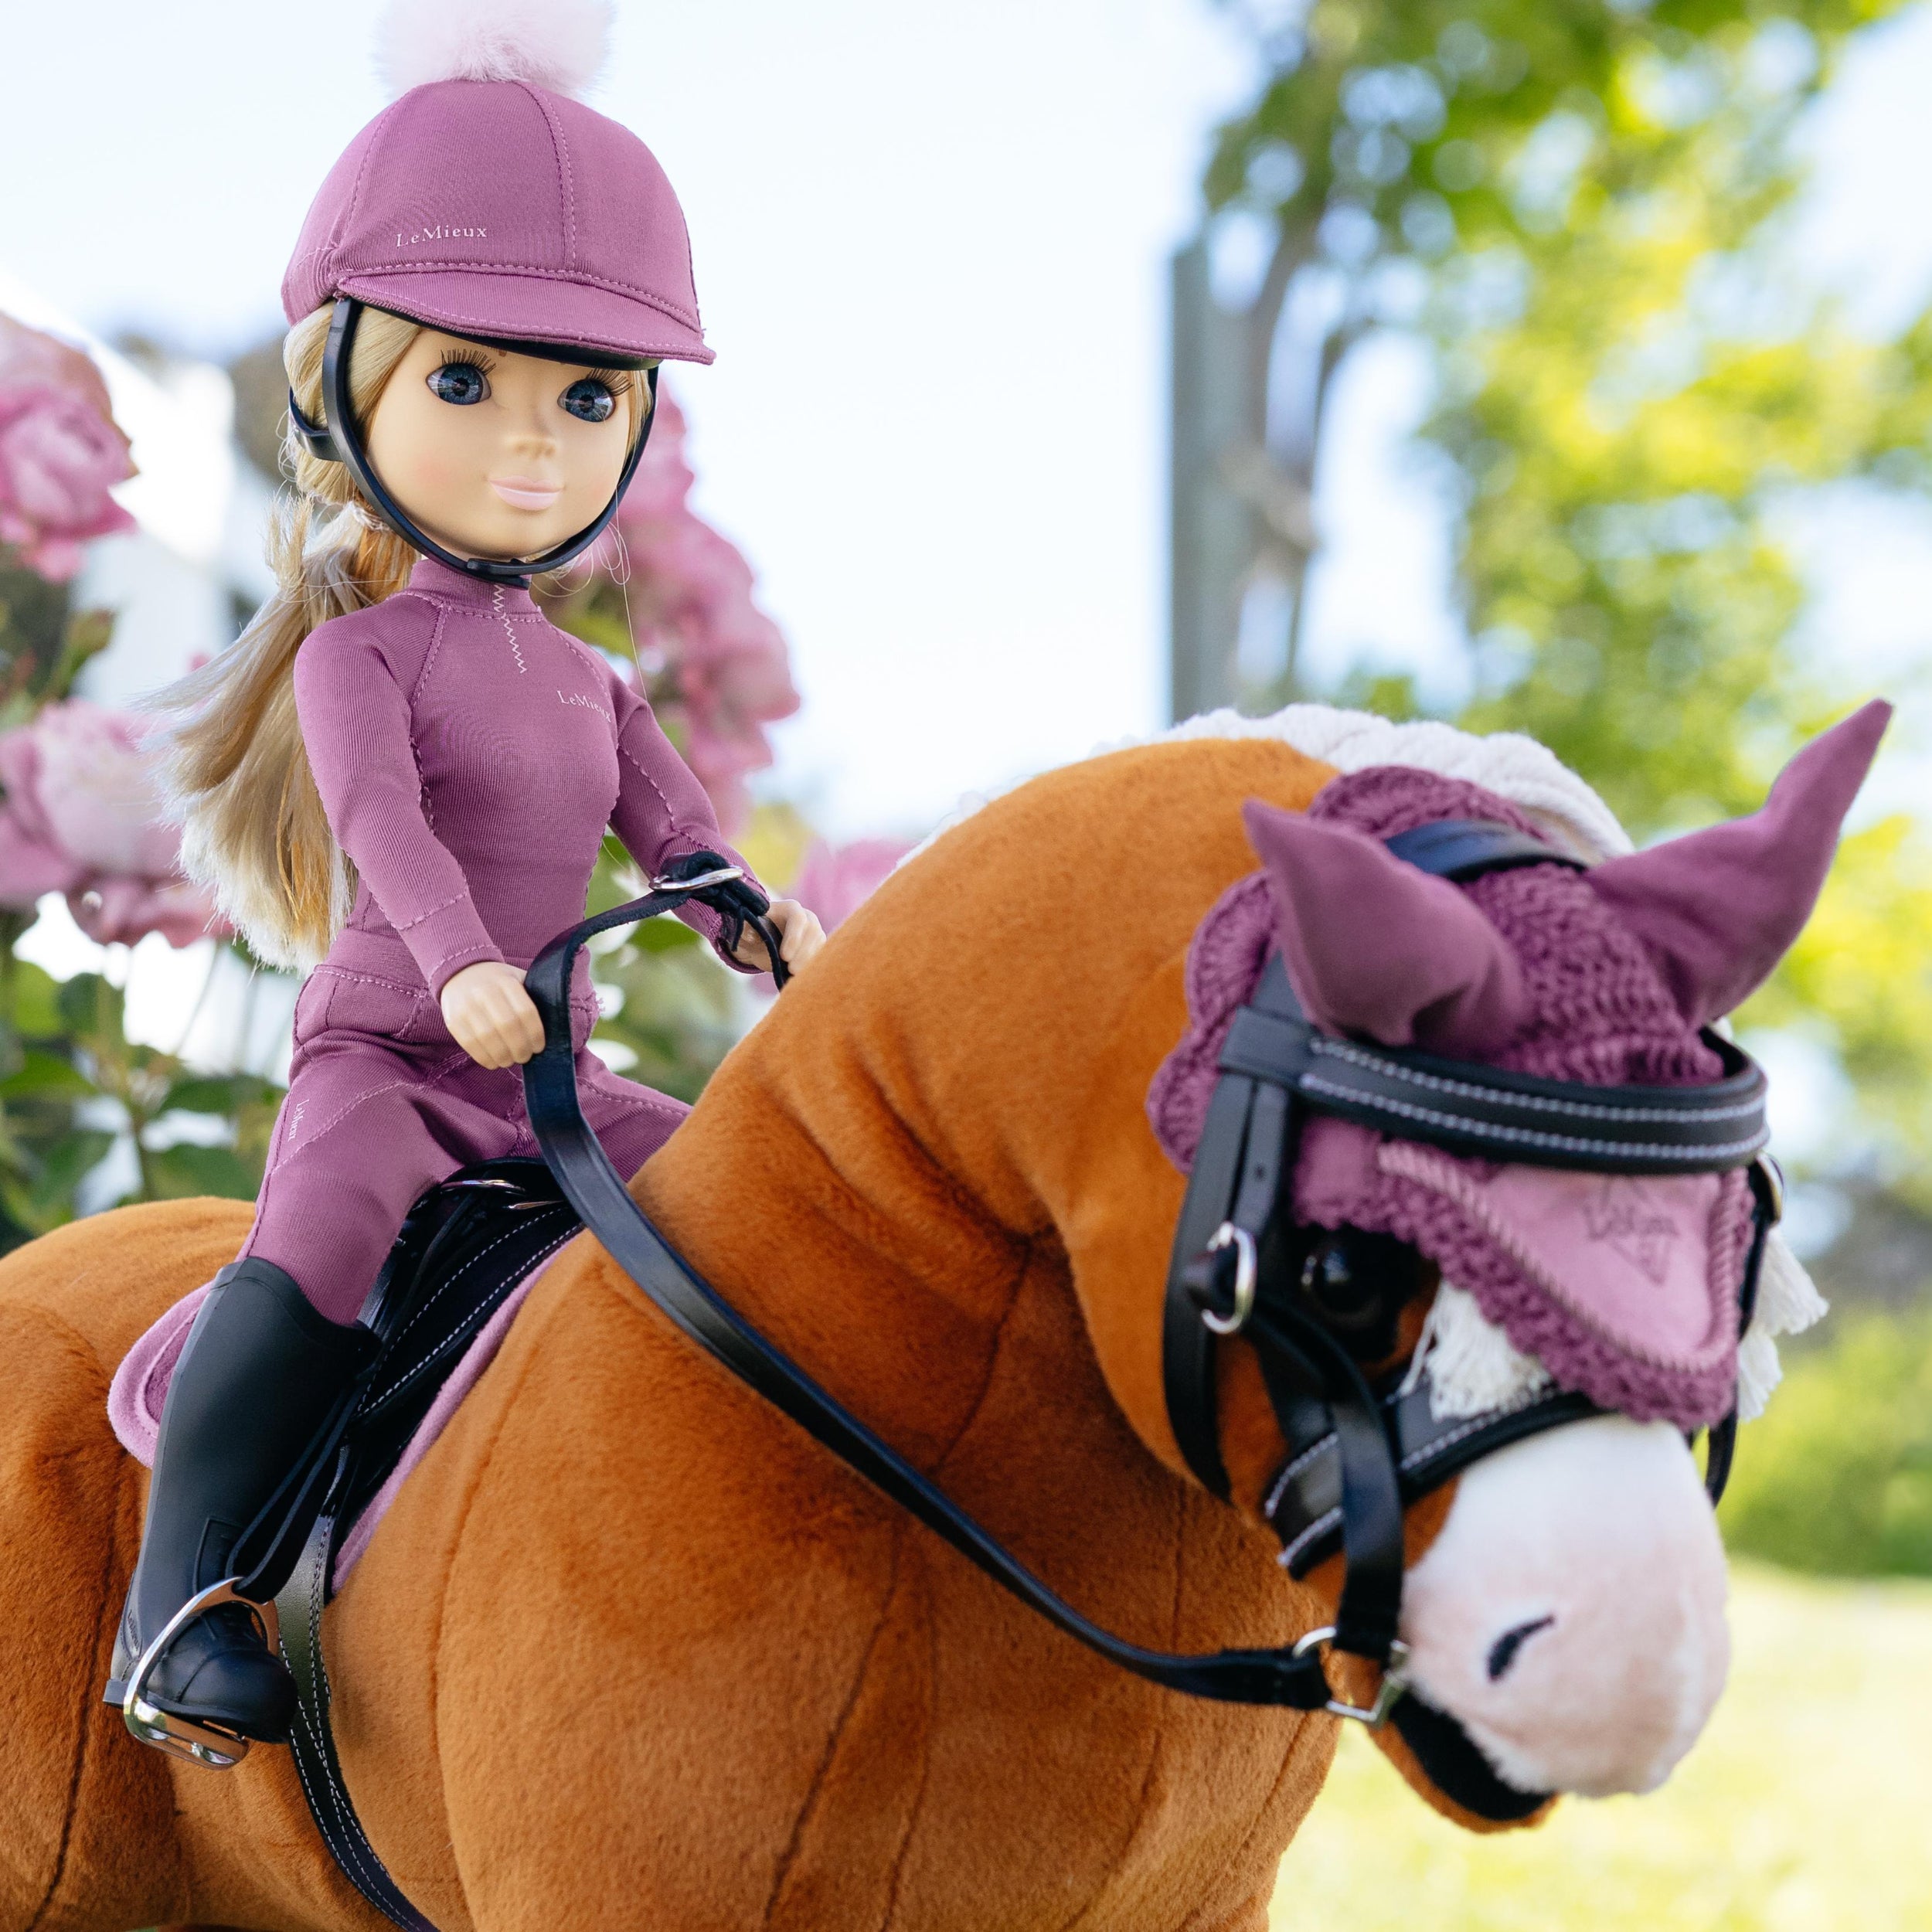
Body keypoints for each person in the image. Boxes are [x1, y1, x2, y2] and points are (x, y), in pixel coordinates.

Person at [106, 1, 823, 1757]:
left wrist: (755, 917)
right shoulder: (360, 660)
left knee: (765, 1197)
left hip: (550, 1074)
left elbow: (674, 827)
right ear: (343, 388)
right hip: (401, 1058)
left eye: (589, 398)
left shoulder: (589, 679)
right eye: (464, 382)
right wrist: (452, 972)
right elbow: (390, 837)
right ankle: (178, 1601)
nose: (533, 444)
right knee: (322, 1239)